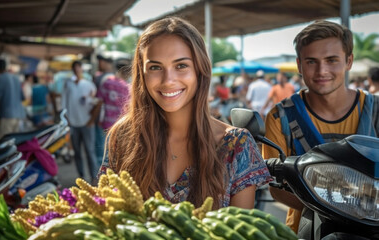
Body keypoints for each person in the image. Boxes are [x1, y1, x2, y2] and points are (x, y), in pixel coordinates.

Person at [98, 17, 271, 209]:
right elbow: (107, 216)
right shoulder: (122, 136)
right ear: (142, 74)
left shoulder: (236, 146)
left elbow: (241, 231)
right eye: (155, 67)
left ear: (200, 70)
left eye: (181, 66)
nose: (168, 80)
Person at [262, 20, 379, 234]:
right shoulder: (281, 118)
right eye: (311, 61)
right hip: (305, 232)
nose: (322, 70)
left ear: (349, 61)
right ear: (299, 65)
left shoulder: (376, 112)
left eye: (332, 60)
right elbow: (276, 187)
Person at [62, 60, 99, 182]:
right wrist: (67, 119)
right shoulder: (68, 84)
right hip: (73, 123)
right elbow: (63, 103)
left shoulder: (89, 85)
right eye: (75, 68)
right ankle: (81, 177)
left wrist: (92, 118)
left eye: (78, 67)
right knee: (77, 152)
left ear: (81, 69)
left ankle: (94, 177)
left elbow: (96, 102)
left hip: (87, 122)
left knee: (90, 151)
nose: (77, 70)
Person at [0, 58, 26, 139]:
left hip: (7, 116)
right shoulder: (16, 78)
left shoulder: (0, 78)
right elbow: (23, 97)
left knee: (4, 142)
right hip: (19, 115)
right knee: (14, 142)